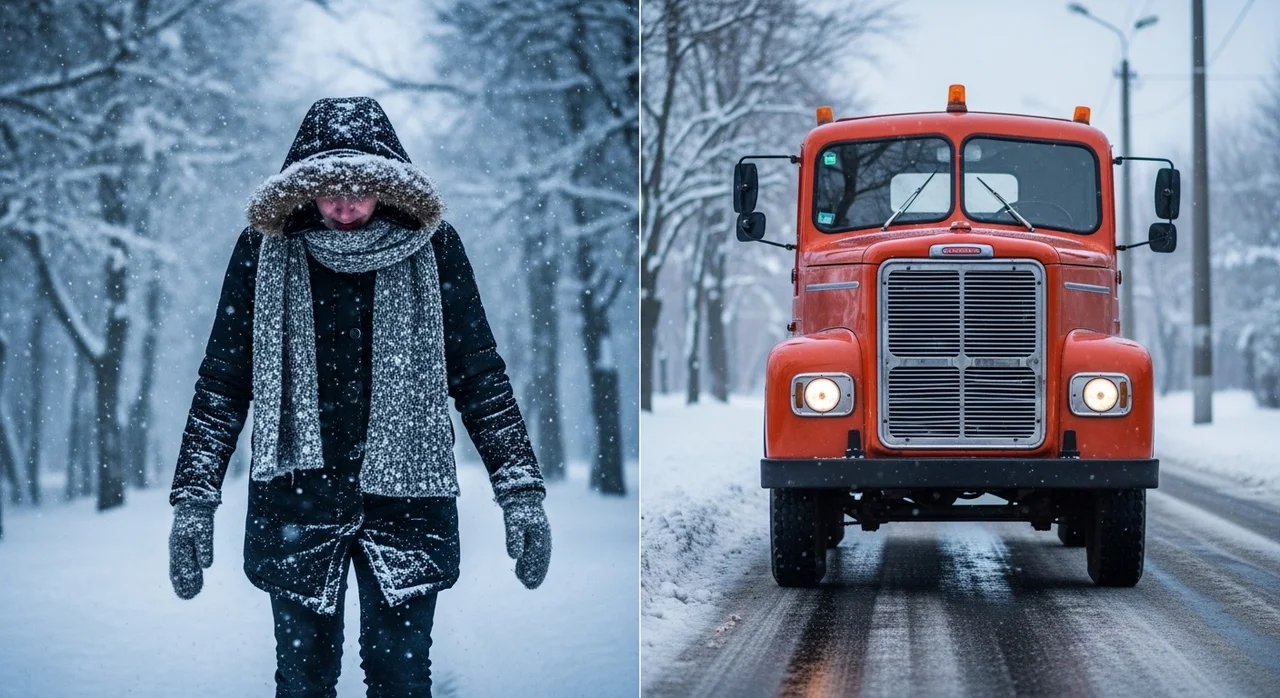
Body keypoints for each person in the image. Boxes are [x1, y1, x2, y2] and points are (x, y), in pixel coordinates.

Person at [167, 96, 551, 698]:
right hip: (296, 501)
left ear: (388, 188)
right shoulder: (264, 251)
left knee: (401, 680)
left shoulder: (433, 248)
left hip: (408, 503)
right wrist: (194, 498)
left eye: (360, 192)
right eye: (329, 193)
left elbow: (479, 376)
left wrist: (519, 489)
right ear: (304, 189)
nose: (344, 208)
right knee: (303, 682)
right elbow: (223, 383)